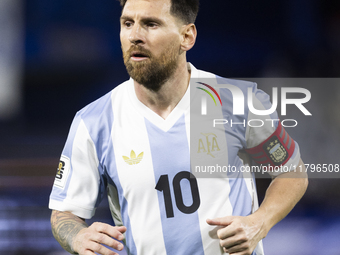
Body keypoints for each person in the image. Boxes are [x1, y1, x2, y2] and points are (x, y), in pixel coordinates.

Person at [49, 0, 308, 254]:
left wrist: (259, 222)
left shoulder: (239, 102)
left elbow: (291, 172)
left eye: (151, 24)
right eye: (127, 23)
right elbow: (65, 213)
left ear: (187, 36)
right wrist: (78, 236)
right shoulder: (93, 122)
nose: (135, 36)